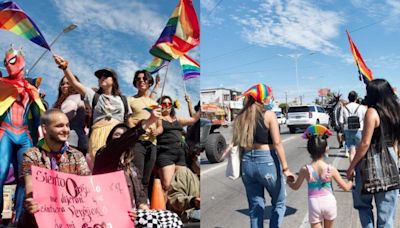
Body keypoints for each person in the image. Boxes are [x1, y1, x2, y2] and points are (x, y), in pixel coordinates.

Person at [93, 113, 183, 228]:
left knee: (172, 218)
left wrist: (143, 207)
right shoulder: (104, 155)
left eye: (123, 135)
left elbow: (140, 192)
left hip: (134, 214)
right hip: (112, 214)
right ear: (110, 139)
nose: (120, 137)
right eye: (117, 135)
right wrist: (149, 121)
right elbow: (122, 142)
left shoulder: (131, 166)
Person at [232, 83, 294, 228]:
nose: (271, 99)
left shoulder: (241, 117)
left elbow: (237, 143)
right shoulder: (269, 115)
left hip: (247, 162)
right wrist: (285, 168)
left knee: (255, 207)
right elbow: (277, 143)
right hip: (267, 161)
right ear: (264, 98)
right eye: (270, 96)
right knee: (279, 202)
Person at [53, 55, 131, 167]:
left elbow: (129, 121)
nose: (102, 78)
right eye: (100, 77)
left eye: (106, 75)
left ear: (113, 80)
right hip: (98, 134)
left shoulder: (123, 100)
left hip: (117, 136)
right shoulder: (93, 96)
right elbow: (75, 83)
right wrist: (65, 68)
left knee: (118, 166)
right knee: (98, 166)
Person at [18, 109, 91, 227]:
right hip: (41, 220)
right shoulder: (31, 155)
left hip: (71, 219)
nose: (66, 130)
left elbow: (87, 187)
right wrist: (31, 201)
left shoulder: (77, 156)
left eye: (67, 125)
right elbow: (30, 186)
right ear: (45, 129)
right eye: (59, 126)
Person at [0, 46, 46, 223]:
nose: (8, 64)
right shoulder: (2, 83)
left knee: (26, 177)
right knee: (1, 171)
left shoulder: (31, 87)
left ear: (22, 61)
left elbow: (39, 116)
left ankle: (19, 219)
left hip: (25, 135)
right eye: (5, 62)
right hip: (5, 130)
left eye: (12, 60)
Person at [347, 79, 400, 228]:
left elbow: (365, 144)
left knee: (364, 206)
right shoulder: (395, 111)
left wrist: (351, 167)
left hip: (370, 166)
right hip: (390, 165)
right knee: (387, 216)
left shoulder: (372, 112)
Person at [287, 125, 353, 228]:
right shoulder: (331, 169)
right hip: (329, 202)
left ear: (309, 150)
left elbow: (295, 187)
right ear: (326, 149)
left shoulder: (305, 169)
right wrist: (351, 180)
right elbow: (346, 187)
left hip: (314, 204)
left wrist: (289, 182)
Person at [128, 70, 163, 198]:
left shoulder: (154, 104)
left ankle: (143, 202)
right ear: (135, 83)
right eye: (138, 79)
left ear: (149, 82)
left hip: (152, 143)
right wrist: (138, 128)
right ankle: (137, 203)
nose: (141, 81)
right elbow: (129, 122)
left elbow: (160, 127)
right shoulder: (130, 100)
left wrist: (156, 131)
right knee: (137, 175)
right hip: (137, 143)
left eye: (144, 79)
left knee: (147, 178)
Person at [156, 95, 200, 192]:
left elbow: (193, 119)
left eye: (169, 103)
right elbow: (158, 128)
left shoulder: (177, 119)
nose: (167, 105)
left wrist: (190, 103)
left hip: (180, 154)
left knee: (182, 183)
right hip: (165, 154)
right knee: (167, 185)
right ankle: (165, 206)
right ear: (159, 105)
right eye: (164, 103)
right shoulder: (157, 118)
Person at [53, 76, 88, 154]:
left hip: (73, 142)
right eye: (62, 84)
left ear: (74, 84)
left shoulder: (76, 97)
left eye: (68, 83)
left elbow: (65, 116)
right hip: (66, 140)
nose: (65, 86)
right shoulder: (62, 102)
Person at [339, 91, 366, 160]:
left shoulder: (344, 108)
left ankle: (353, 169)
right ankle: (359, 168)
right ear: (356, 98)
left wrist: (342, 132)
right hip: (359, 131)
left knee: (351, 151)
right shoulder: (362, 108)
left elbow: (341, 121)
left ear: (348, 98)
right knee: (360, 151)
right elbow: (366, 120)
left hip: (348, 131)